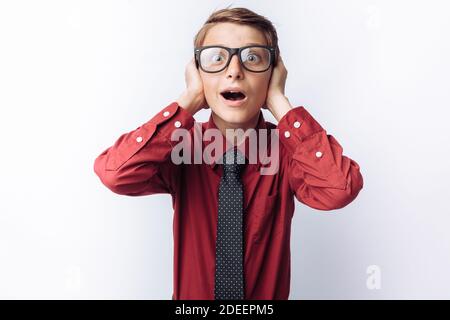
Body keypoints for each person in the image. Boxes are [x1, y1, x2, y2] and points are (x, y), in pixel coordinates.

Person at [93, 6, 364, 300]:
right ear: (197, 74)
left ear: (273, 74)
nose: (235, 71)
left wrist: (279, 102)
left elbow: (338, 189)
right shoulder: (180, 144)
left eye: (252, 58)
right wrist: (189, 101)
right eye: (216, 58)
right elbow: (115, 174)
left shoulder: (288, 152)